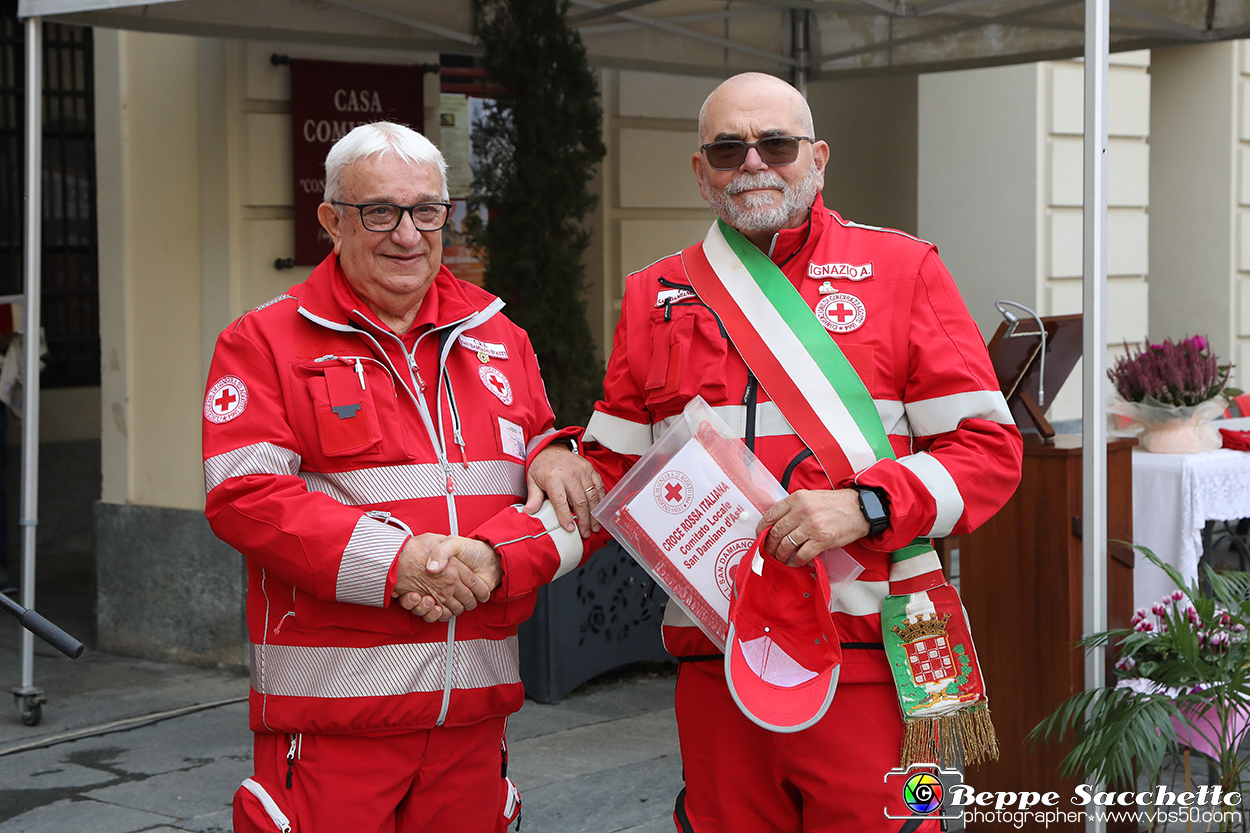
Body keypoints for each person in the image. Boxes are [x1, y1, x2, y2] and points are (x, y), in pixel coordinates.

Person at [563, 73, 1024, 831]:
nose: (753, 163)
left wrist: (866, 504)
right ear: (700, 168)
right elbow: (610, 466)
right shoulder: (656, 292)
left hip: (879, 651)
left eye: (776, 144)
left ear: (817, 157)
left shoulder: (905, 269)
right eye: (728, 147)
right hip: (719, 655)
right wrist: (556, 456)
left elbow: (988, 449)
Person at [202, 121, 603, 833]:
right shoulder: (263, 340)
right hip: (336, 727)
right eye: (379, 212)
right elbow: (246, 498)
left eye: (426, 211)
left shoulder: (500, 335)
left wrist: (550, 453)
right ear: (331, 220)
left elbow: (548, 467)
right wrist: (397, 563)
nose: (408, 234)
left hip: (473, 718)